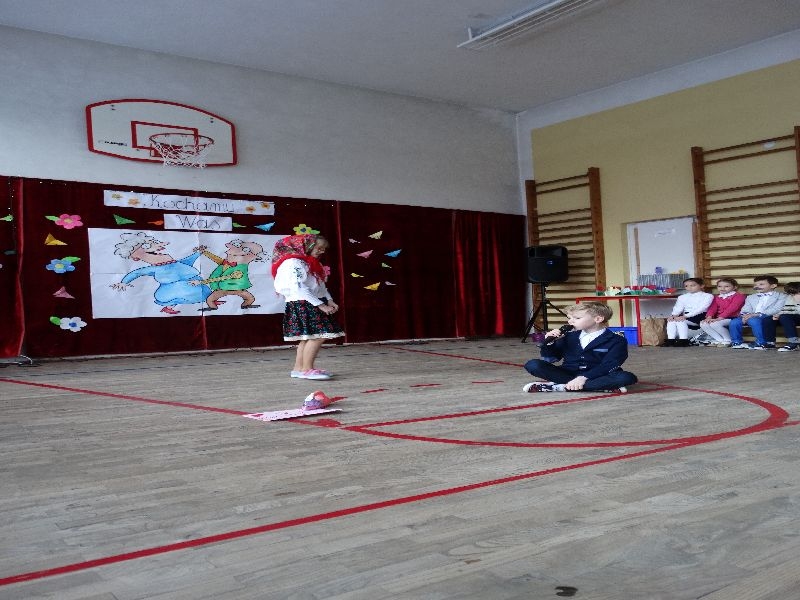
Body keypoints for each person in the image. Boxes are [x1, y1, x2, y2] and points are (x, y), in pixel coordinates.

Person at [272, 234, 344, 380]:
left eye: (324, 249)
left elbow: (320, 285)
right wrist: (321, 305)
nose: (322, 251)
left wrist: (329, 300)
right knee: (318, 336)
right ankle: (307, 369)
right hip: (303, 302)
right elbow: (299, 288)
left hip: (311, 301)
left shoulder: (309, 262)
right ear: (307, 246)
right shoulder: (293, 263)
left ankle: (299, 369)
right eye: (319, 248)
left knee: (308, 337)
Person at [522, 302, 637, 393]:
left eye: (577, 318)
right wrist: (549, 343)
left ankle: (560, 387)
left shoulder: (616, 340)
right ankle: (597, 387)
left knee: (626, 377)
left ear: (598, 319)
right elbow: (551, 359)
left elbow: (610, 364)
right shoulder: (569, 336)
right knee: (533, 365)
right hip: (568, 374)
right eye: (570, 318)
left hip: (597, 375)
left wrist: (584, 377)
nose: (570, 321)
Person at [729, 275, 787, 350]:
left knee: (754, 321)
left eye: (761, 284)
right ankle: (736, 342)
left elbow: (776, 309)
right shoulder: (751, 297)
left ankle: (761, 342)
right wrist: (745, 315)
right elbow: (746, 308)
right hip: (749, 316)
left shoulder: (781, 296)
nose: (757, 286)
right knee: (734, 322)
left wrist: (756, 314)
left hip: (766, 316)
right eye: (756, 284)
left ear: (773, 285)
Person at [662, 278, 713, 347]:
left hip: (700, 315)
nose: (689, 288)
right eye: (686, 286)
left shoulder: (708, 296)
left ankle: (683, 340)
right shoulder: (682, 297)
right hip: (686, 316)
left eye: (692, 285)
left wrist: (685, 316)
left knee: (680, 320)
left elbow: (701, 308)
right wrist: (673, 315)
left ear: (702, 286)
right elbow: (678, 308)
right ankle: (670, 340)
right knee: (671, 320)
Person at [698, 277, 746, 346]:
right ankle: (719, 340)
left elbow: (732, 308)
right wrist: (709, 317)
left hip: (734, 317)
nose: (722, 288)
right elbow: (712, 308)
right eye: (719, 286)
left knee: (715, 324)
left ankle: (728, 340)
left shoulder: (739, 296)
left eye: (726, 286)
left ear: (734, 287)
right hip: (721, 318)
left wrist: (720, 318)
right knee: (704, 323)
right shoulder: (717, 297)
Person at [773, 281, 800, 352]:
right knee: (784, 316)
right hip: (796, 317)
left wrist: (798, 302)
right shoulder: (790, 297)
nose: (793, 295)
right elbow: (787, 308)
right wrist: (778, 314)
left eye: (796, 293)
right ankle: (794, 342)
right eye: (791, 293)